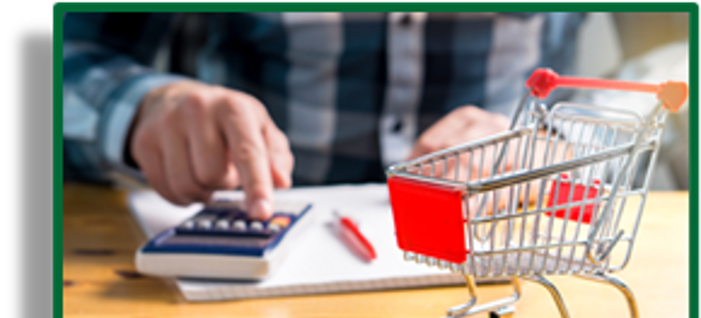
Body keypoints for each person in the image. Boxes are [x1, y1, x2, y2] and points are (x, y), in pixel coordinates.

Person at [63, 12, 585, 219]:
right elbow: (72, 48)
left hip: (504, 233)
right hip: (254, 228)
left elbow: (654, 67)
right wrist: (142, 108)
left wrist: (558, 143)